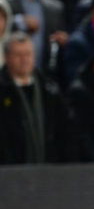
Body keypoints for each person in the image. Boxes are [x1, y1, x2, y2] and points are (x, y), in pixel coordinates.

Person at [0, 32, 65, 164]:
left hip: (48, 169)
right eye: (18, 55)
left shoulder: (49, 89)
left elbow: (64, 129)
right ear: (6, 57)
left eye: (28, 54)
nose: (24, 60)